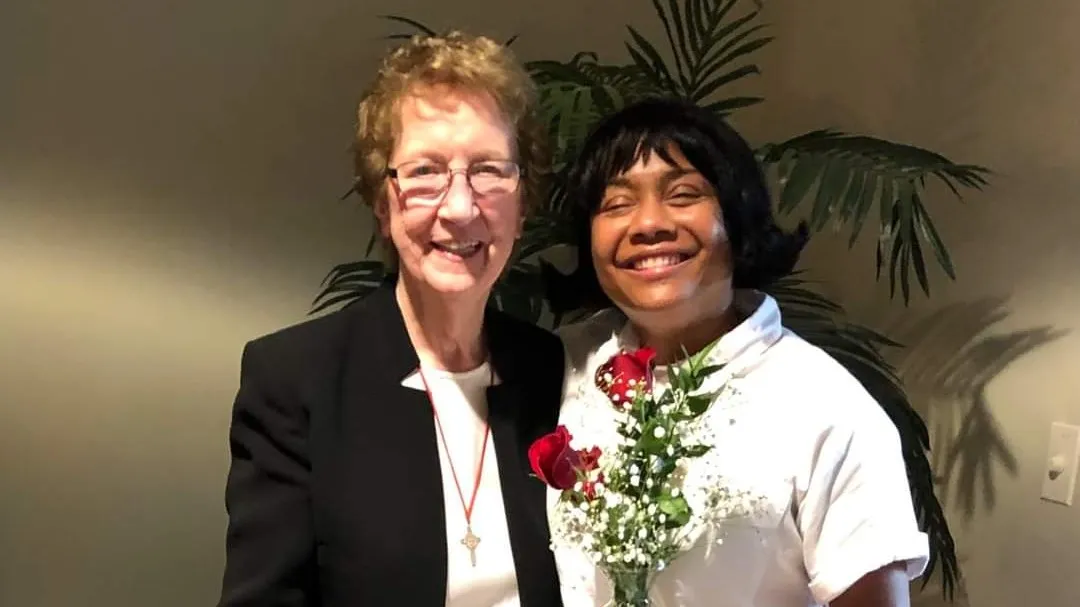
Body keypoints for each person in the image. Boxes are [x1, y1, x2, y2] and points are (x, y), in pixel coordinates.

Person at [217, 32, 564, 606]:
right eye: (426, 171)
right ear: (384, 204)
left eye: (488, 170)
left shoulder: (550, 368)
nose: (460, 207)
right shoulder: (298, 379)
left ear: (522, 206)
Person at [549, 97, 929, 607]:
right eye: (617, 204)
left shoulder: (827, 407)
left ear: (737, 217)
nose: (647, 224)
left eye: (683, 194)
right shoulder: (559, 368)